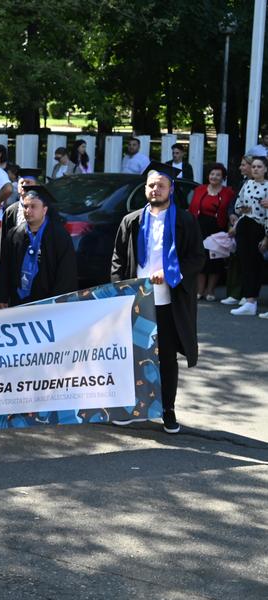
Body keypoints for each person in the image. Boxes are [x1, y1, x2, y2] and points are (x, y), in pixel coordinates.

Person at [111, 162, 205, 433]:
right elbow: (118, 259)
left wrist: (171, 272)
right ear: (145, 189)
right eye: (151, 185)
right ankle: (134, 407)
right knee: (134, 356)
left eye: (161, 185)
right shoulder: (131, 221)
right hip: (137, 301)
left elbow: (197, 257)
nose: (155, 189)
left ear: (171, 189)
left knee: (166, 359)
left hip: (168, 302)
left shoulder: (185, 221)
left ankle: (168, 410)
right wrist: (119, 290)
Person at [0, 185, 77, 307]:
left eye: (33, 206)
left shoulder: (59, 236)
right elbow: (5, 267)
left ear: (44, 210)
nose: (28, 211)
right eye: (25, 206)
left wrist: (57, 302)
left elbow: (66, 273)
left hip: (47, 303)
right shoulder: (14, 234)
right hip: (18, 301)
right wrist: (1, 296)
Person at [229, 155, 268, 316]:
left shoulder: (267, 186)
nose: (256, 169)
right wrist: (245, 209)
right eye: (254, 167)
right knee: (245, 264)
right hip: (245, 224)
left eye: (259, 167)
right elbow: (238, 205)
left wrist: (266, 237)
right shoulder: (247, 184)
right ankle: (249, 300)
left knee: (255, 264)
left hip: (259, 226)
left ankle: (252, 299)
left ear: (265, 169)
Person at [188, 163, 234, 301]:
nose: (214, 177)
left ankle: (211, 290)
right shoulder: (200, 189)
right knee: (200, 259)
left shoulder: (228, 192)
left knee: (215, 260)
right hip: (200, 227)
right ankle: (200, 289)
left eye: (218, 175)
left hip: (218, 229)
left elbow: (231, 210)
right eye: (212, 174)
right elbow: (192, 208)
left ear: (223, 177)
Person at [222, 155, 254, 305]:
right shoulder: (242, 182)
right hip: (238, 226)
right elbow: (234, 203)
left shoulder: (262, 185)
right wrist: (232, 215)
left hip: (252, 226)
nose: (241, 167)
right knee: (237, 260)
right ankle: (236, 294)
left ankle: (248, 296)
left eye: (244, 165)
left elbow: (252, 209)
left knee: (250, 262)